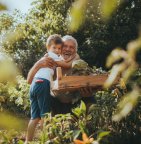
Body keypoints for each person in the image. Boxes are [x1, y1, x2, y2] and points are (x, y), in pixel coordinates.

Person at [25, 34, 79, 143]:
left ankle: (27, 141)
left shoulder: (50, 56)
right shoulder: (52, 56)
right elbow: (66, 65)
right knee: (45, 116)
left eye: (59, 48)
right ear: (48, 48)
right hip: (43, 83)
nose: (58, 50)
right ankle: (48, 140)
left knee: (34, 117)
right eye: (56, 48)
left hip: (35, 85)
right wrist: (74, 56)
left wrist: (75, 57)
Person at [27, 35, 94, 112]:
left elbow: (91, 81)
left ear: (75, 51)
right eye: (65, 46)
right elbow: (29, 81)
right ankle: (46, 120)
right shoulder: (51, 61)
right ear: (59, 48)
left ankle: (86, 122)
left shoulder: (79, 65)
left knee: (91, 99)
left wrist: (87, 94)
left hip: (74, 103)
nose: (68, 49)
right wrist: (37, 64)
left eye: (71, 47)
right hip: (54, 103)